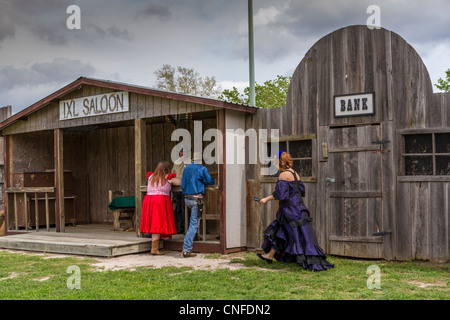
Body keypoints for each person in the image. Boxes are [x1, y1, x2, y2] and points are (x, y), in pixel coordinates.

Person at [258, 151, 334, 271]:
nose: (273, 162)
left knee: (299, 234)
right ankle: (269, 256)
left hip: (291, 210)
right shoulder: (294, 173)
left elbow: (280, 194)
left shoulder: (283, 175)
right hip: (296, 207)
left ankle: (310, 260)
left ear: (280, 161)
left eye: (274, 160)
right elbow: (300, 192)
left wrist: (266, 199)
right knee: (280, 230)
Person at [140, 161, 181, 255]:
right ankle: (154, 249)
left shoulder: (151, 177)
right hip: (159, 200)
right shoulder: (168, 178)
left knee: (154, 222)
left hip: (149, 200)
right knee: (157, 223)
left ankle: (155, 247)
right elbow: (179, 182)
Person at [181, 152, 215, 258]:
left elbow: (183, 184)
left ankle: (192, 242)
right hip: (197, 198)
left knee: (192, 223)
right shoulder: (202, 169)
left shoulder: (186, 169)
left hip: (187, 198)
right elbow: (210, 181)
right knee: (194, 224)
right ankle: (186, 249)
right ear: (201, 160)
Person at [171, 149, 186, 234]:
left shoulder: (189, 162)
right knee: (179, 209)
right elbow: (173, 173)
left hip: (185, 188)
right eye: (181, 151)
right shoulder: (176, 162)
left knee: (185, 209)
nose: (182, 153)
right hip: (176, 189)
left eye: (184, 151)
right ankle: (181, 227)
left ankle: (186, 228)